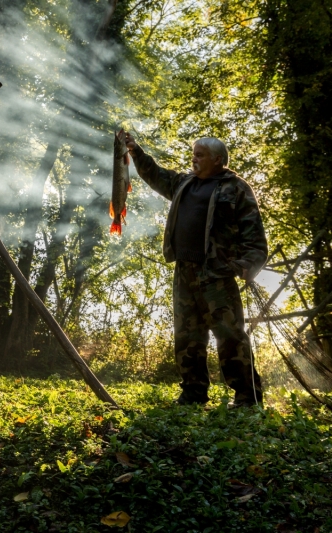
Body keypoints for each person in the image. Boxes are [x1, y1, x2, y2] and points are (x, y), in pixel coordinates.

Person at [125, 133, 268, 408]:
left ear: (218, 160)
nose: (194, 159)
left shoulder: (236, 188)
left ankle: (248, 397)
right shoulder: (183, 183)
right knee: (187, 335)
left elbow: (255, 238)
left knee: (229, 335)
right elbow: (155, 174)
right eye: (194, 154)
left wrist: (246, 266)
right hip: (185, 272)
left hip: (217, 274)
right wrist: (135, 151)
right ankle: (193, 393)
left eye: (200, 155)